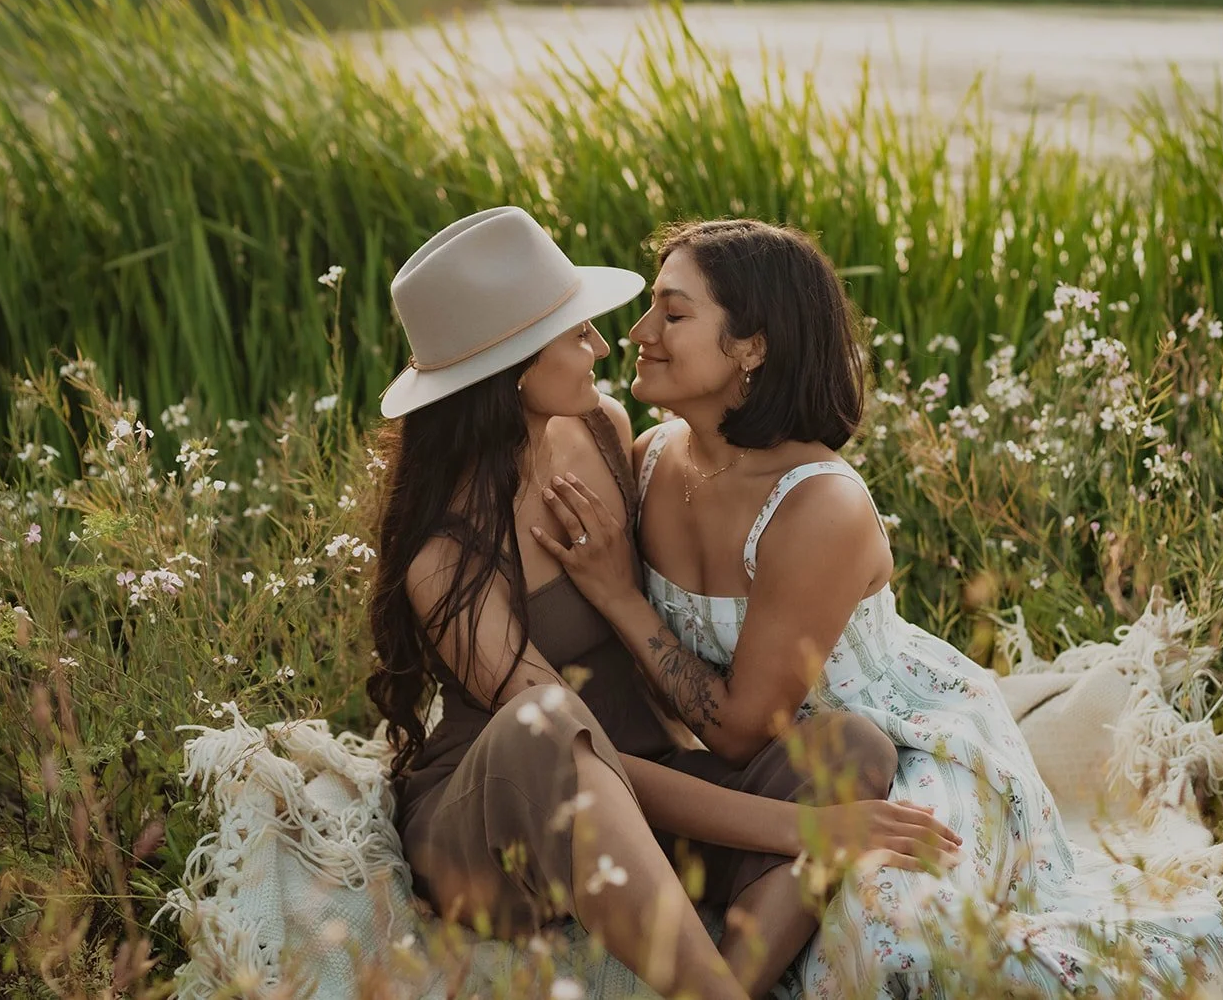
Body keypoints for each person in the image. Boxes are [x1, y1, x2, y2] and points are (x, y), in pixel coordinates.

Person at [534, 218, 1223, 997]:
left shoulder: (818, 505)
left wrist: (620, 596)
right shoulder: (648, 460)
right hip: (779, 773)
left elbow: (735, 725)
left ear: (752, 346)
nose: (639, 333)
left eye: (673, 313)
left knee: (895, 934)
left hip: (906, 747)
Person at [366, 207, 958, 1000]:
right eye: (576, 332)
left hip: (654, 786)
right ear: (510, 367)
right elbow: (584, 758)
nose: (605, 346)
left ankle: (731, 984)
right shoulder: (445, 557)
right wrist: (802, 831)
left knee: (850, 746)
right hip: (506, 817)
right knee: (549, 724)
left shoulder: (608, 433)